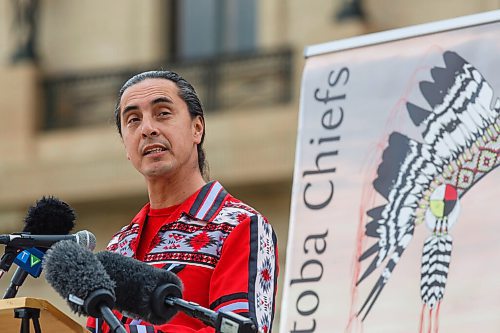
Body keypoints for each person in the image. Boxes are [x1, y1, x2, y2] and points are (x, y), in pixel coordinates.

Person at [86, 71, 279, 333]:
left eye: (163, 113)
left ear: (197, 128)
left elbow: (241, 330)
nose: (147, 129)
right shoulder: (117, 247)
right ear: (125, 147)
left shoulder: (242, 226)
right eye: (133, 120)